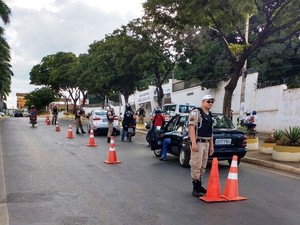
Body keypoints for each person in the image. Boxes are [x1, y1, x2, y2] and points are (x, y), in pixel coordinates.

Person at [188, 94, 215, 198]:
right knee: (196, 165)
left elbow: (211, 131)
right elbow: (191, 128)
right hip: (198, 142)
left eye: (212, 101)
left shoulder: (210, 114)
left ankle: (199, 185)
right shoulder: (196, 112)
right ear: (203, 102)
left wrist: (212, 146)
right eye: (208, 101)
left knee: (203, 166)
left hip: (206, 142)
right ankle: (195, 187)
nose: (210, 103)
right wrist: (193, 143)